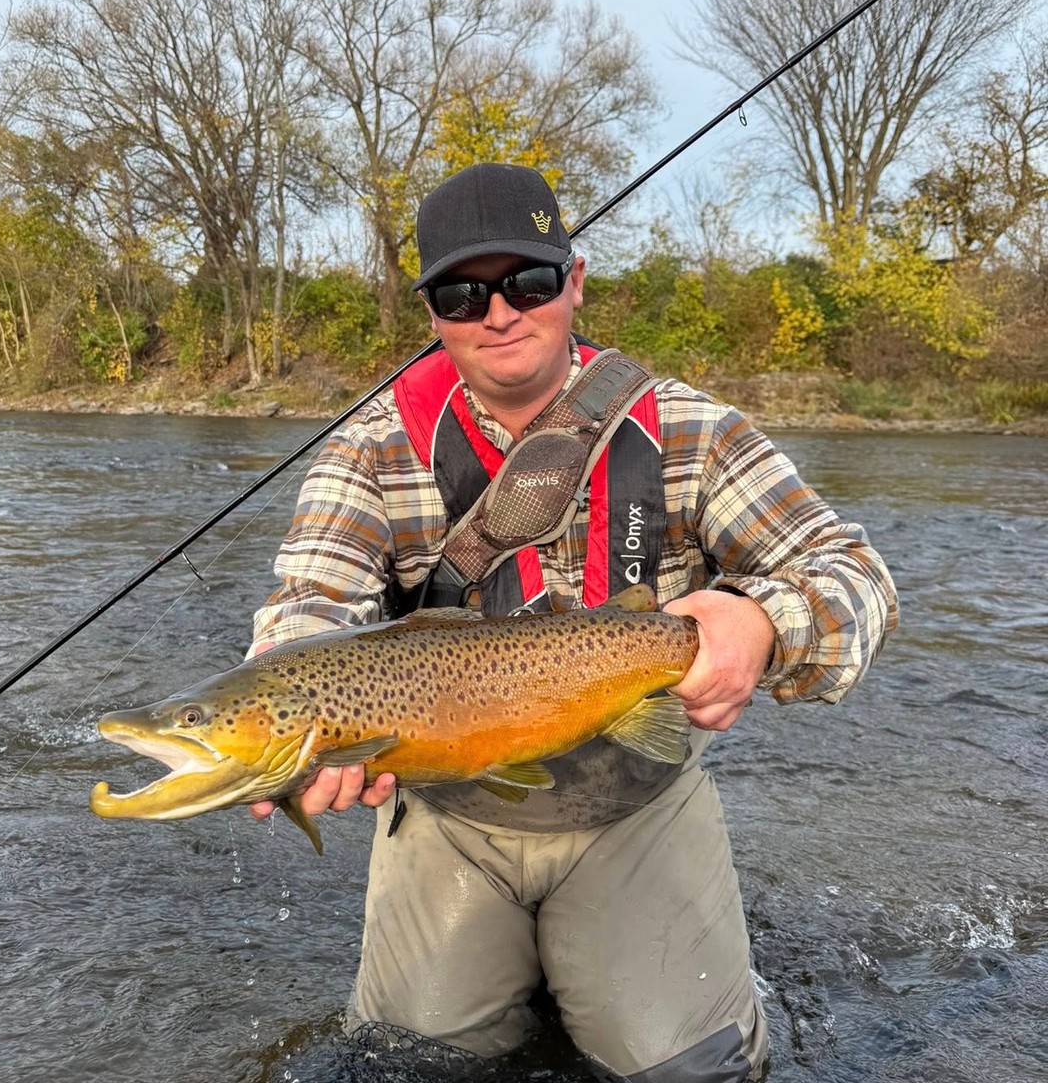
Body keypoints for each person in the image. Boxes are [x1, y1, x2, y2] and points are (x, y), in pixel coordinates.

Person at [246, 163, 898, 1082]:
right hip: (451, 811)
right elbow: (310, 603)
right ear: (433, 314)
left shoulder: (690, 430)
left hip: (635, 799)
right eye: (465, 294)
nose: (500, 312)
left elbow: (857, 577)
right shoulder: (372, 447)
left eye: (530, 282)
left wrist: (760, 622)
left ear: (575, 283)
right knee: (406, 1065)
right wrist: (288, 718)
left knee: (691, 1072)